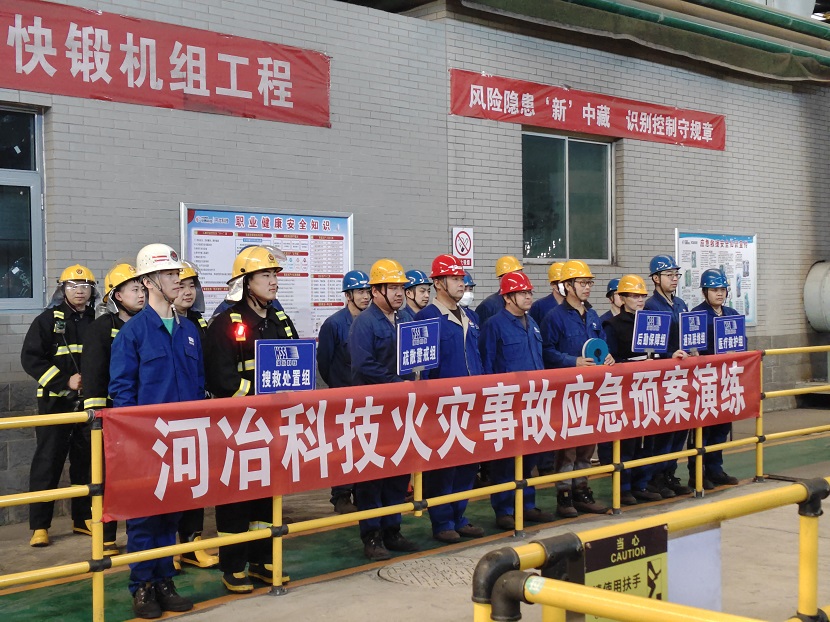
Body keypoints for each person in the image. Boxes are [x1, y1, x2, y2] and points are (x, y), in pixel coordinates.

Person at [109, 244, 198, 618]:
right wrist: (135, 439)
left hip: (182, 441)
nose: (178, 281)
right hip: (146, 444)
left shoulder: (189, 330)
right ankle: (143, 587)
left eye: (178, 274)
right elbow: (122, 390)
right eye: (169, 275)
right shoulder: (132, 334)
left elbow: (197, 387)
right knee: (144, 518)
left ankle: (165, 580)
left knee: (171, 515)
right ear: (148, 281)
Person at [205, 246, 298, 593]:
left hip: (272, 426)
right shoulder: (224, 323)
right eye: (265, 275)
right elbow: (221, 378)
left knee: (268, 493)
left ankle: (263, 559)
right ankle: (233, 566)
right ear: (245, 282)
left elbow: (296, 366)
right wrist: (260, 398)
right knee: (235, 496)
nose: (274, 282)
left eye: (275, 275)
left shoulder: (280, 320)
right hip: (237, 427)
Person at [21, 264, 97, 548]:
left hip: (87, 405)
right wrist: (66, 381)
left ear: (92, 291)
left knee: (86, 463)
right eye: (73, 286)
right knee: (47, 463)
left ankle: (83, 519)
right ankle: (40, 526)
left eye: (85, 286)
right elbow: (31, 359)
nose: (79, 291)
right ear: (62, 289)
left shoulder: (97, 321)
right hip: (54, 404)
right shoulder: (46, 321)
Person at [348, 258, 419, 561]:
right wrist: (396, 383)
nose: (399, 292)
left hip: (400, 410)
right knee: (372, 475)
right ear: (376, 291)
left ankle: (392, 529)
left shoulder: (405, 319)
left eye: (401, 287)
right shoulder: (365, 323)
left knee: (397, 472)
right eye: (392, 287)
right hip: (373, 410)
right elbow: (363, 364)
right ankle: (372, 536)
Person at [415, 254, 485, 543]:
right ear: (438, 283)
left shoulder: (472, 317)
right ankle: (442, 522)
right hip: (441, 408)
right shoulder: (426, 318)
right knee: (443, 467)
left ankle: (459, 516)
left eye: (461, 278)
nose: (461, 283)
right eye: (455, 279)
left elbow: (479, 358)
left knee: (468, 464)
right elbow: (421, 370)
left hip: (472, 404)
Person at [479, 271, 556, 530]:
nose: (528, 297)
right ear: (507, 297)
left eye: (529, 292)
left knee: (530, 456)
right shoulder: (494, 325)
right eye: (522, 293)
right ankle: (504, 509)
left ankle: (526, 504)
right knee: (505, 460)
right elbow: (487, 364)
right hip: (506, 404)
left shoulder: (532, 323)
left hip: (533, 401)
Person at [82, 262, 145, 555]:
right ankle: (106, 537)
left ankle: (138, 534)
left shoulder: (148, 326)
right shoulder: (101, 328)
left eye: (143, 288)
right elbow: (94, 375)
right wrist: (98, 420)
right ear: (117, 296)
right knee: (106, 478)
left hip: (141, 417)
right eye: (134, 289)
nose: (141, 294)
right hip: (111, 417)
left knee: (138, 479)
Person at [540, 259, 612, 518]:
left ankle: (582, 492)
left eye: (589, 282)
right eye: (582, 283)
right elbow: (546, 351)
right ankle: (564, 496)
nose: (587, 287)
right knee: (568, 447)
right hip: (567, 392)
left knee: (588, 444)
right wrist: (573, 361)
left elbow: (601, 343)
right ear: (567, 286)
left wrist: (608, 357)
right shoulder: (554, 318)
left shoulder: (592, 315)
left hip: (591, 391)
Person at [599, 274, 664, 505]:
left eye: (642, 296)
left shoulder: (654, 322)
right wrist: (632, 364)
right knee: (627, 441)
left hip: (650, 390)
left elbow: (661, 351)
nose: (640, 300)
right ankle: (624, 487)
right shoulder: (612, 325)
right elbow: (611, 359)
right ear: (623, 298)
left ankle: (642, 484)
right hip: (626, 392)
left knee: (648, 440)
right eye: (634, 296)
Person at [171, 260, 219, 569]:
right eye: (181, 286)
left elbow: (207, 369)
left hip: (196, 417)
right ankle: (167, 548)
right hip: (165, 422)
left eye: (192, 286)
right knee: (168, 486)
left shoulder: (198, 325)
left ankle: (192, 543)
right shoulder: (154, 324)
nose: (188, 292)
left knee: (194, 482)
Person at [316, 269, 372, 515]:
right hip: (342, 397)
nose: (365, 296)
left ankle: (362, 492)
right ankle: (340, 495)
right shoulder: (334, 324)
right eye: (359, 291)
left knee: (364, 446)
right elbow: (324, 363)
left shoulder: (371, 322)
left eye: (367, 291)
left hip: (367, 397)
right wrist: (339, 386)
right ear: (348, 295)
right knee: (343, 448)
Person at [644, 255, 692, 498]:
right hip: (662, 377)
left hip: (681, 376)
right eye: (669, 275)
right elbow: (649, 344)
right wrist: (667, 355)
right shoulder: (651, 306)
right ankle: (656, 477)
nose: (674, 279)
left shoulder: (681, 304)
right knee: (662, 429)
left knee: (680, 427)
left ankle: (670, 473)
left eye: (676, 275)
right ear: (655, 278)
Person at [689, 268, 741, 489]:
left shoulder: (731, 314)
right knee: (703, 429)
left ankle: (715, 470)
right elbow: (692, 346)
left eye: (722, 289)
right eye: (714, 289)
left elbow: (741, 343)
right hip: (705, 382)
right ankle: (697, 474)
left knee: (721, 427)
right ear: (704, 292)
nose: (719, 293)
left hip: (726, 381)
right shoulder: (697, 315)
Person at [475, 255, 523, 326]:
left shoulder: (523, 303)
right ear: (501, 279)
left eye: (520, 275)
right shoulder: (488, 306)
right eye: (514, 277)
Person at [529, 261, 565, 326]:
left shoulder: (574, 305)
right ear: (553, 285)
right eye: (562, 282)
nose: (566, 286)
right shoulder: (539, 306)